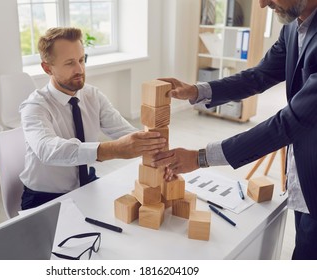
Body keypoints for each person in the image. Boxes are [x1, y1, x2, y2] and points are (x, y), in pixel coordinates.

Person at [152, 0, 317, 260]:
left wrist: (200, 158)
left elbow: (289, 123)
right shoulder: (294, 25)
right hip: (305, 175)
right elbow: (260, 75)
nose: (262, 4)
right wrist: (198, 91)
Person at [19, 27, 166, 210]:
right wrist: (111, 150)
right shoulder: (34, 107)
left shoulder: (92, 95)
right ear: (47, 68)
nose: (80, 69)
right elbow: (48, 150)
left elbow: (124, 131)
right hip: (44, 197)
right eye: (70, 63)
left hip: (86, 183)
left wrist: (161, 155)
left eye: (82, 60)